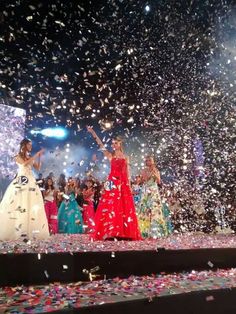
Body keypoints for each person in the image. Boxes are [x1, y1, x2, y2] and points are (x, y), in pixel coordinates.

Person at [87, 126, 141, 240]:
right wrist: (93, 133)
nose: (113, 145)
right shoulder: (111, 155)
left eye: (116, 143)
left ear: (120, 144)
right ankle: (110, 231)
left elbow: (128, 172)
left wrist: (130, 186)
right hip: (111, 182)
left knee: (123, 206)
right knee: (108, 205)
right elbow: (101, 145)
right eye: (113, 143)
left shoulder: (126, 157)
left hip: (123, 183)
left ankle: (123, 232)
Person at [0, 138, 50, 240]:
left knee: (31, 203)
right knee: (20, 202)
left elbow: (38, 168)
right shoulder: (17, 156)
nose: (31, 146)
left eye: (31, 145)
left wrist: (39, 157)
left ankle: (30, 230)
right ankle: (16, 230)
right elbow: (24, 164)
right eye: (29, 145)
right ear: (24, 145)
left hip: (31, 180)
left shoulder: (30, 156)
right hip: (22, 180)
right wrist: (36, 155)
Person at [137, 156, 172, 238]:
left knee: (155, 209)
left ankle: (156, 231)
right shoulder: (144, 170)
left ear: (153, 162)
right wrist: (150, 173)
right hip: (146, 190)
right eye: (147, 160)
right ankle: (144, 230)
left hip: (154, 190)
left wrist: (155, 173)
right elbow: (145, 179)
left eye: (150, 161)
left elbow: (159, 181)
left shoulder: (156, 170)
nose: (149, 162)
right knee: (145, 209)